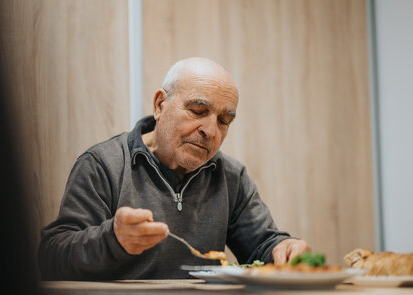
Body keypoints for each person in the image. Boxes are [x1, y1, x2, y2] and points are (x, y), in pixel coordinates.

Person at [39, 57, 310, 280]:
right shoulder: (103, 164)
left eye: (224, 120)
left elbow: (261, 247)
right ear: (160, 105)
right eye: (197, 110)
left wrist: (284, 248)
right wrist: (112, 240)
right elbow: (51, 258)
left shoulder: (231, 177)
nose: (210, 130)